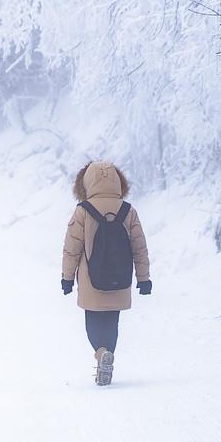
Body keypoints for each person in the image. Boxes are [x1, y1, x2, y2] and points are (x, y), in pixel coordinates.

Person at [59, 159, 151, 386]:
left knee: (93, 325)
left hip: (91, 281)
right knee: (112, 323)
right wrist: (144, 278)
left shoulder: (82, 211)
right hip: (120, 279)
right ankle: (108, 354)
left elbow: (72, 248)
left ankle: (101, 355)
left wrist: (67, 278)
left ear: (86, 183)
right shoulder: (128, 211)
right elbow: (140, 247)